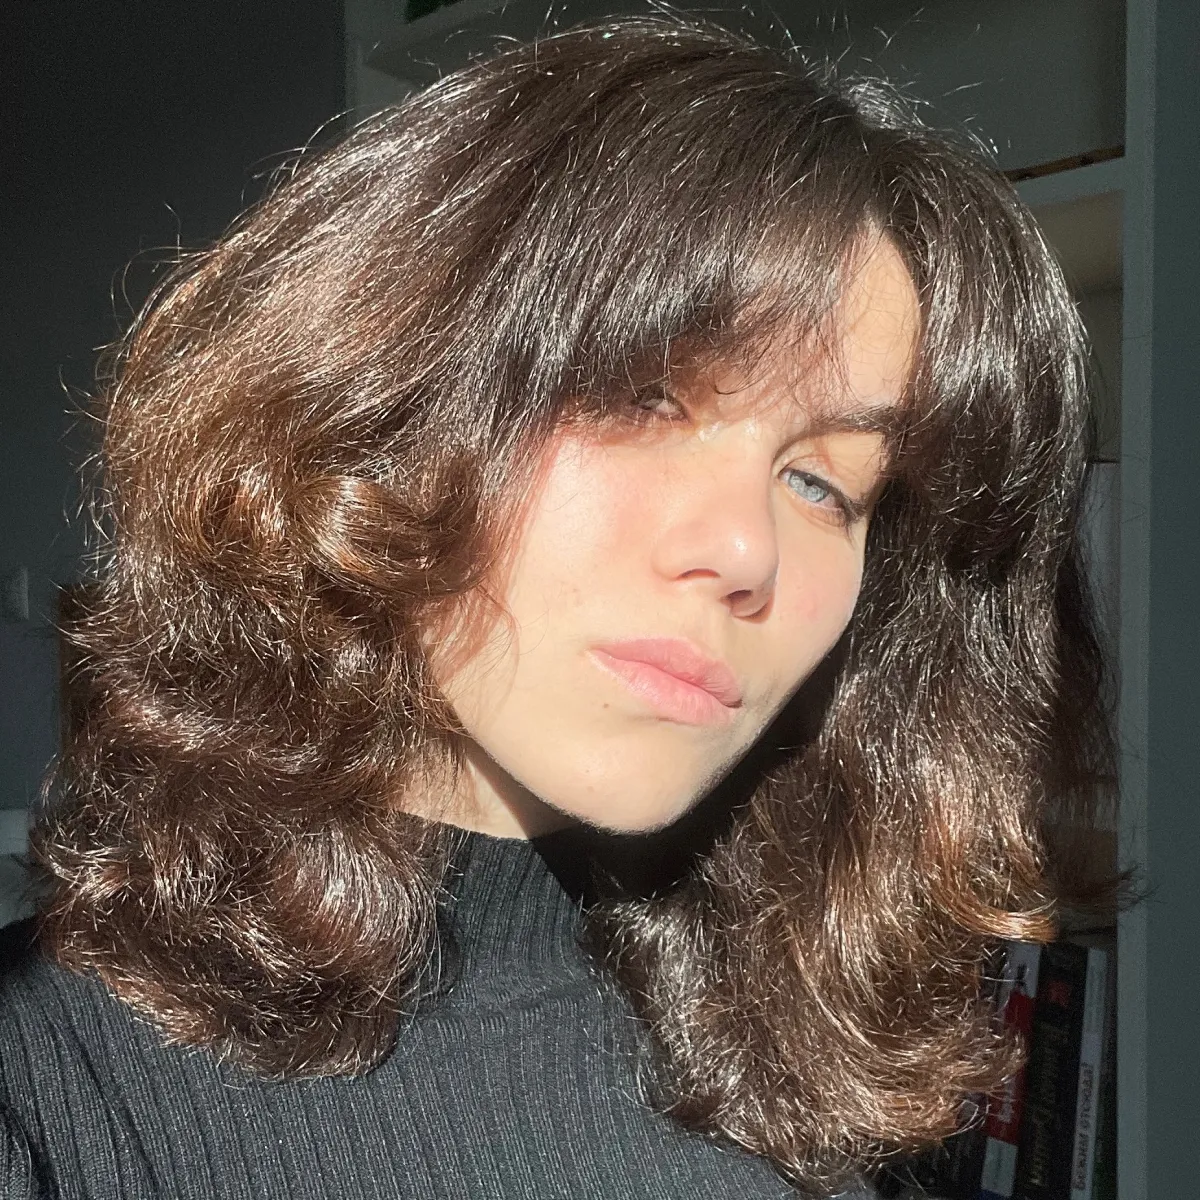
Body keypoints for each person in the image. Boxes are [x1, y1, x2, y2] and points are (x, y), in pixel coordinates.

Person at [0, 15, 1112, 1200]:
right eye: (646, 395)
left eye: (822, 484)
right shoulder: (48, 1093)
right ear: (385, 405)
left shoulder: (797, 1070)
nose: (746, 550)